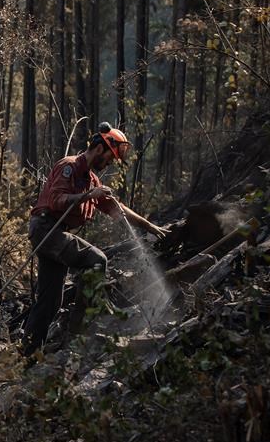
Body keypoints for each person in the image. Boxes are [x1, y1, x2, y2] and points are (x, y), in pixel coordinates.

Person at [21, 122, 168, 355]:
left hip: (53, 233)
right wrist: (88, 196)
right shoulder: (69, 167)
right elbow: (56, 199)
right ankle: (80, 332)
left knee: (50, 301)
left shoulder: (91, 180)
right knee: (97, 259)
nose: (109, 163)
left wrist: (148, 225)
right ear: (100, 148)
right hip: (47, 229)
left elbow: (116, 208)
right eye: (109, 157)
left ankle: (27, 354)